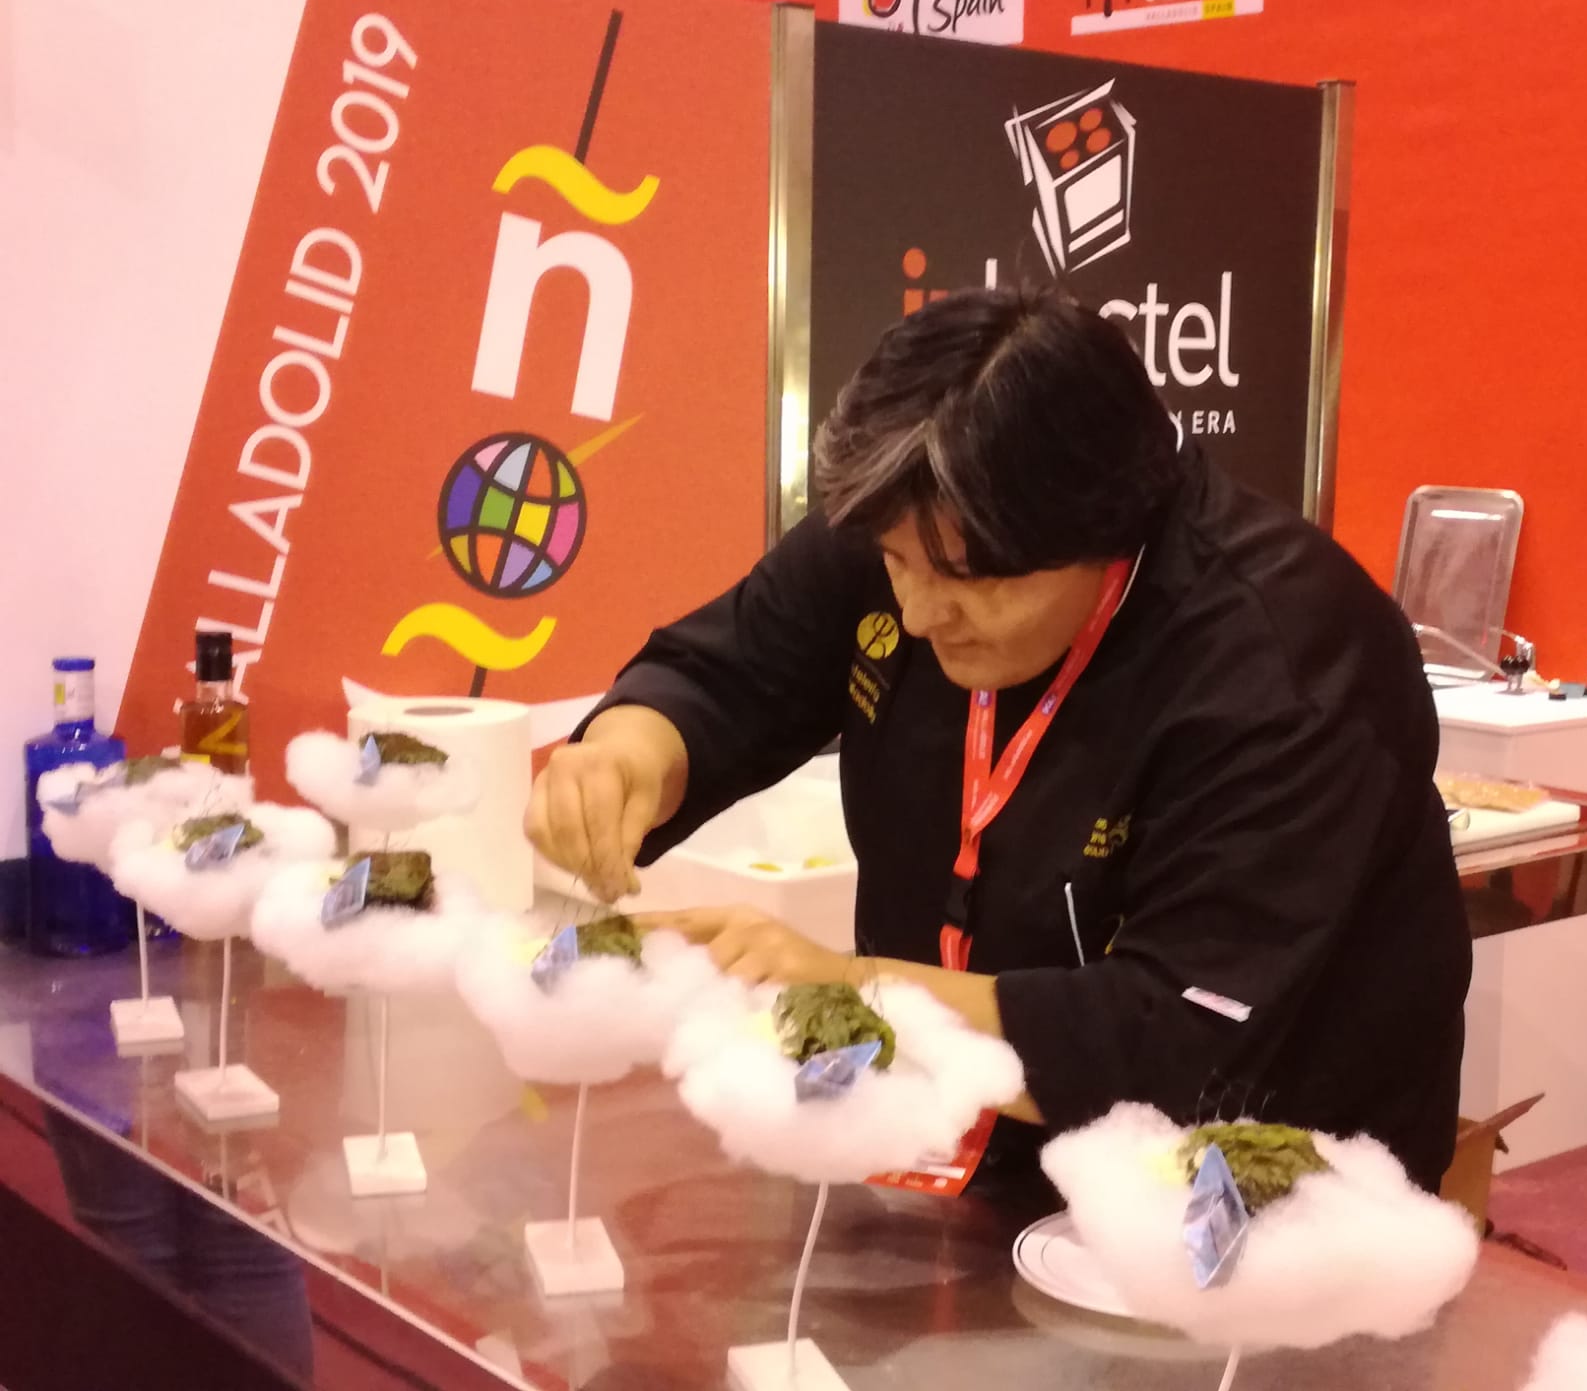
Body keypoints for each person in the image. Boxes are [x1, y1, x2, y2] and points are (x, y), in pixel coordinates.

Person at [525, 289, 1473, 1190]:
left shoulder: (1288, 664)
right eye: (895, 562)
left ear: (1108, 531)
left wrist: (860, 995)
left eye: (970, 580)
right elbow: (729, 670)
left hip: (1252, 1183)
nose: (918, 609)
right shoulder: (917, 522)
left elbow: (1176, 1035)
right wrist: (627, 752)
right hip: (961, 1128)